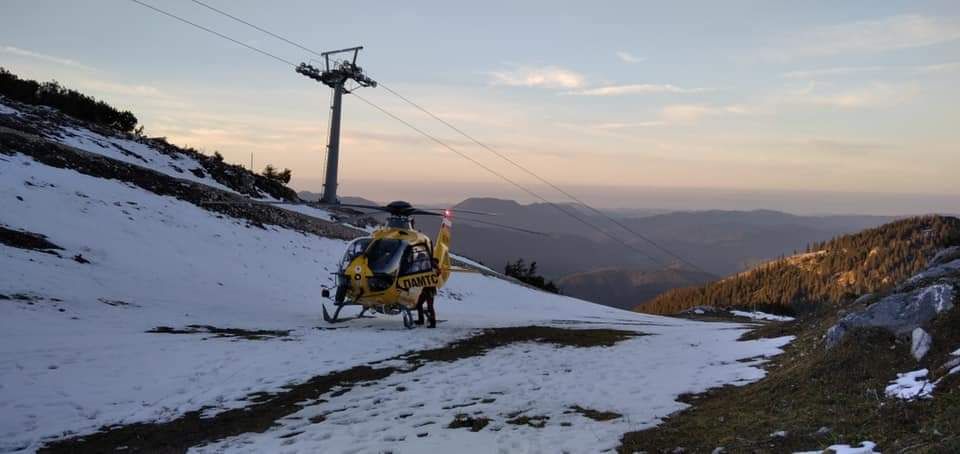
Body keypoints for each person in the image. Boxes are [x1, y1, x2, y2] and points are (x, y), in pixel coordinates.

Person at [416, 258, 440, 328]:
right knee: (419, 304)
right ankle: (421, 320)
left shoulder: (434, 269)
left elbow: (436, 273)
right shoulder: (431, 268)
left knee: (429, 306)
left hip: (430, 290)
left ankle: (432, 323)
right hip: (426, 289)